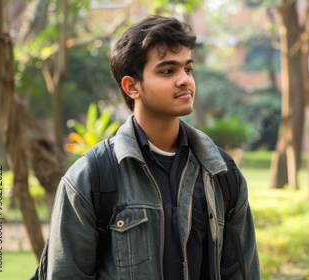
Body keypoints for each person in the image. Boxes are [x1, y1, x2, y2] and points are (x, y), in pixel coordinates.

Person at [45, 15, 260, 279]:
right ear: (131, 86)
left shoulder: (221, 173)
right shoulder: (91, 178)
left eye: (188, 69)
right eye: (167, 71)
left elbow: (242, 272)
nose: (185, 80)